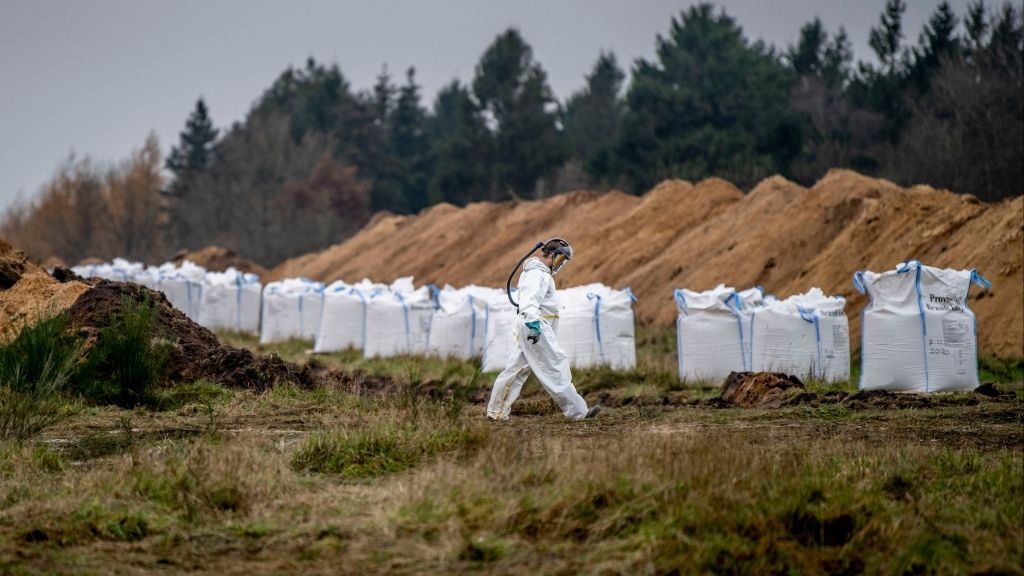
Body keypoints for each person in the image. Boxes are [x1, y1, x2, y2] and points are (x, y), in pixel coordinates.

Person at [486, 238, 601, 421]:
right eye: (561, 259)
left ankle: (496, 413)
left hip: (531, 326)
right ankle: (579, 413)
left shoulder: (539, 273)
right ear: (552, 255)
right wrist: (534, 326)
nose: (561, 264)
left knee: (516, 370)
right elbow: (529, 301)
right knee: (556, 367)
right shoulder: (537, 274)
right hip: (536, 328)